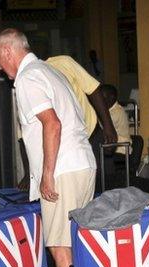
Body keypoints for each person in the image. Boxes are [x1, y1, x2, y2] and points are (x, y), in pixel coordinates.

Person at [0, 28, 96, 267]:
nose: (0, 68)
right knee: (74, 243)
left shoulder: (27, 79)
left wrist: (46, 175)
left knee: (60, 246)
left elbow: (52, 124)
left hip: (63, 169)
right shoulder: (48, 71)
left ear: (9, 52)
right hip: (80, 163)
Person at [17, 55, 118, 192]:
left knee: (105, 189)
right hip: (59, 149)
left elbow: (93, 89)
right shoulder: (29, 80)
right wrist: (30, 174)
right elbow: (24, 138)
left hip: (89, 136)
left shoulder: (63, 63)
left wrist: (108, 126)